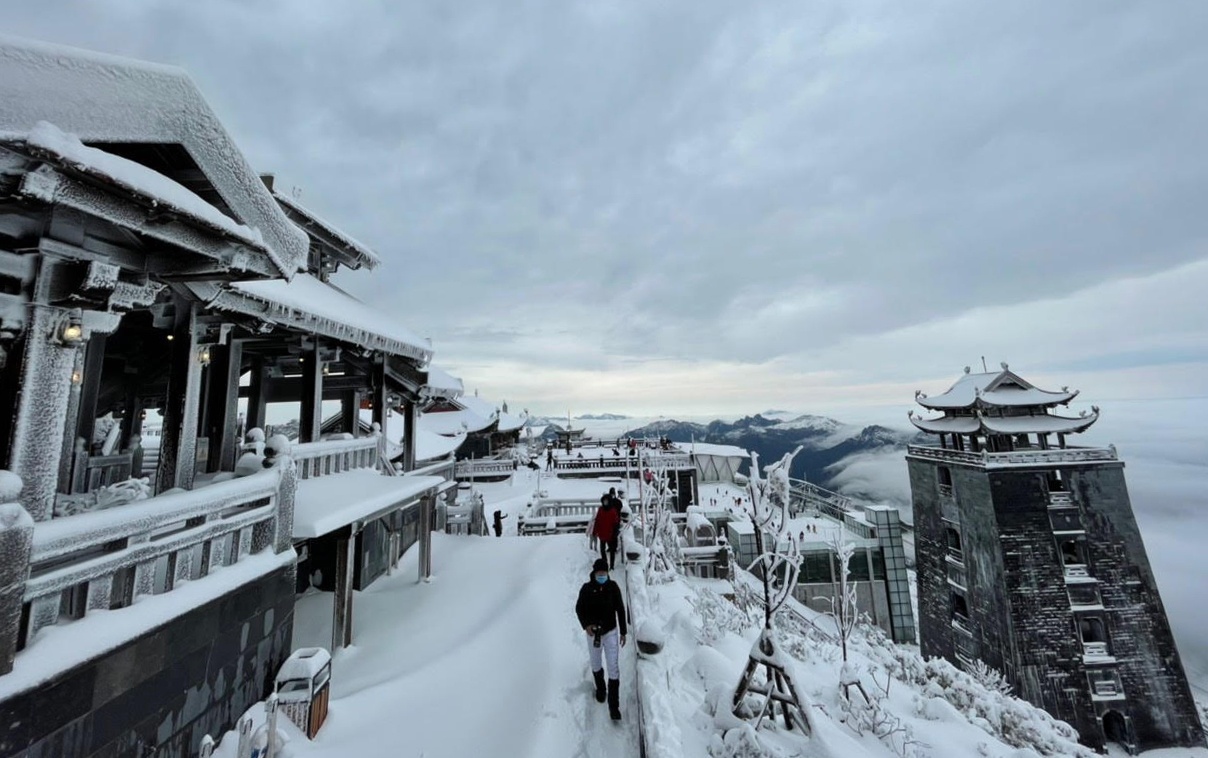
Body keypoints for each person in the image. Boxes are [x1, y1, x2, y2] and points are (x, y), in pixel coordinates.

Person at [575, 558, 627, 720]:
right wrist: (586, 625)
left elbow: (620, 609)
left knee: (613, 667)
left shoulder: (613, 587)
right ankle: (600, 689)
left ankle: (614, 706)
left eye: (605, 573)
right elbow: (579, 608)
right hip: (593, 634)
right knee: (596, 663)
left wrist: (623, 632)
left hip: (611, 632)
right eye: (600, 573)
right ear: (594, 573)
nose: (602, 575)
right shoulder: (586, 589)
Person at [593, 495, 621, 569]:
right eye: (604, 501)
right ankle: (604, 562)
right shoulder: (600, 509)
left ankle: (612, 565)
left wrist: (615, 533)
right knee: (602, 550)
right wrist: (594, 531)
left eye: (606, 501)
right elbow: (597, 521)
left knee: (612, 551)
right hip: (602, 533)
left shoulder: (613, 511)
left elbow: (616, 523)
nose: (605, 502)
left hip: (610, 535)